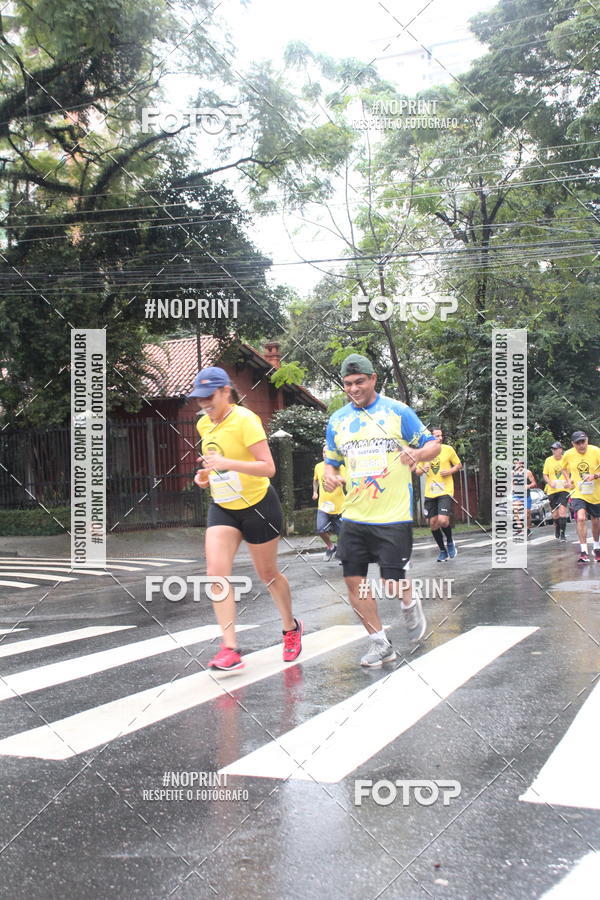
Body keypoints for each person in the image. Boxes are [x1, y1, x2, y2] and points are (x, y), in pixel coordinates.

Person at [323, 353, 439, 668]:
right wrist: (331, 476)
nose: (354, 388)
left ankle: (409, 600)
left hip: (393, 515)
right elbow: (331, 463)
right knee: (354, 581)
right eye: (348, 384)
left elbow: (433, 445)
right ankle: (379, 644)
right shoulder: (337, 421)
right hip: (354, 516)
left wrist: (416, 452)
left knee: (390, 583)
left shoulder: (398, 412)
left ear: (374, 379)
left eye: (360, 382)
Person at [190, 366, 303, 670]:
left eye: (209, 396)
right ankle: (230, 648)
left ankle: (291, 628)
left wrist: (227, 462)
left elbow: (268, 468)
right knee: (216, 573)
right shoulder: (204, 425)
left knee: (268, 574)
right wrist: (205, 474)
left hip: (258, 506)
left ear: (226, 391)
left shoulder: (245, 420)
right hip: (223, 506)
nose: (203, 403)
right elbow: (215, 465)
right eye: (199, 398)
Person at [416, 427, 462, 561]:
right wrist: (422, 469)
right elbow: (417, 472)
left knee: (443, 520)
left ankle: (450, 541)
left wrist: (450, 471)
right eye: (436, 436)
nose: (440, 438)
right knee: (433, 523)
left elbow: (458, 465)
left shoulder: (448, 449)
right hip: (430, 492)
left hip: (445, 490)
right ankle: (442, 550)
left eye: (440, 435)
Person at [561, 430, 600, 564]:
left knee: (596, 520)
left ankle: (596, 547)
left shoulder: (596, 451)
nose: (581, 445)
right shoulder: (568, 454)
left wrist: (595, 476)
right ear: (573, 444)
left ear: (587, 440)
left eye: (583, 442)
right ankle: (583, 551)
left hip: (595, 492)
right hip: (579, 492)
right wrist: (568, 480)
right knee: (581, 517)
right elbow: (563, 468)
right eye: (578, 443)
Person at [312, 447, 345, 560]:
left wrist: (338, 481)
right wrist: (315, 492)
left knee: (341, 534)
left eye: (327, 452)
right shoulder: (318, 466)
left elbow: (346, 483)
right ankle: (331, 547)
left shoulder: (340, 466)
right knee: (320, 529)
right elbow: (315, 480)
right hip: (323, 505)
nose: (325, 454)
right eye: (323, 452)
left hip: (339, 506)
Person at [542, 441, 569, 542]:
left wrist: (569, 482)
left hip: (564, 489)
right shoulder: (548, 460)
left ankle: (563, 534)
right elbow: (545, 475)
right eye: (552, 449)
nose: (554, 451)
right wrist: (550, 483)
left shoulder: (566, 459)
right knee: (555, 514)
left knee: (562, 510)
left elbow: (572, 473)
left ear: (561, 450)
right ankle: (557, 526)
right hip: (552, 490)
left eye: (556, 449)